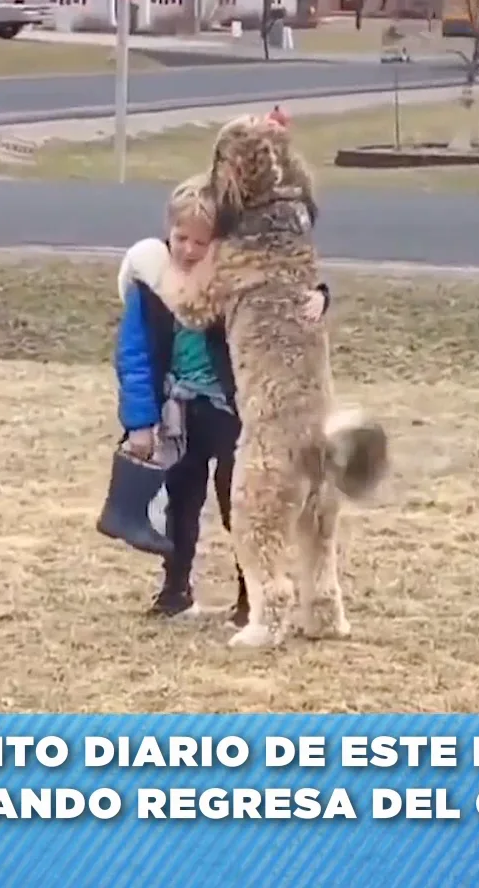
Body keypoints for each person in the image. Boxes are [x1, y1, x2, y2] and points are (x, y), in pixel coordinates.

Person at [95, 172, 329, 622]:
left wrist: (319, 297)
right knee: (180, 502)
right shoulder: (151, 282)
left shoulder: (236, 281)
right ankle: (175, 590)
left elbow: (284, 291)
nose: (186, 249)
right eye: (180, 238)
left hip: (230, 408)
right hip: (177, 407)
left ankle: (251, 598)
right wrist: (140, 421)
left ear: (219, 243)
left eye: (199, 243)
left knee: (238, 503)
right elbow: (135, 355)